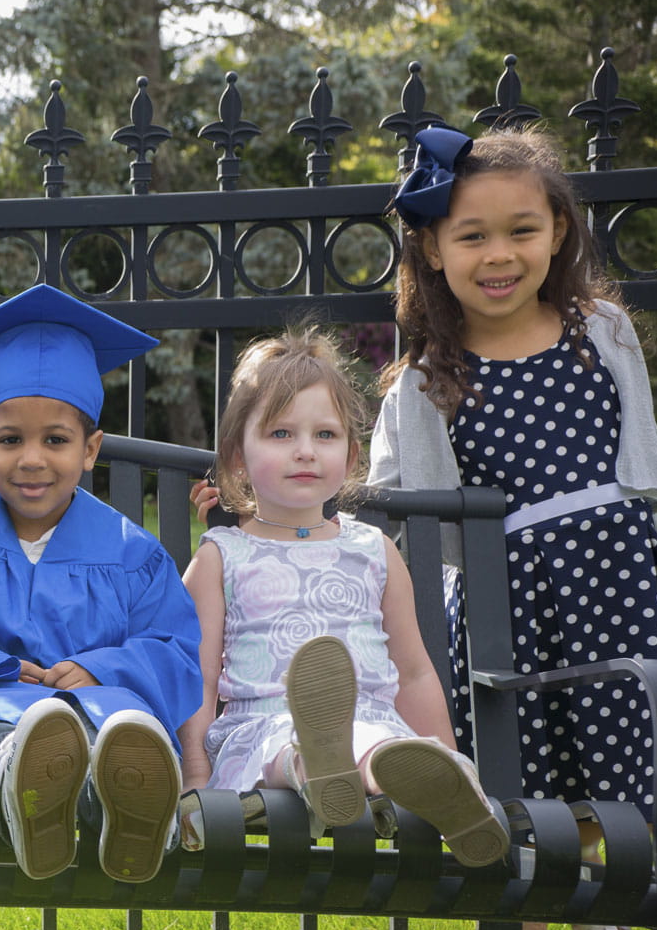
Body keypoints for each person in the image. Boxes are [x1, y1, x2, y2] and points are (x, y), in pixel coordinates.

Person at [370, 125, 657, 930]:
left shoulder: (600, 330)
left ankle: (605, 870)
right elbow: (408, 522)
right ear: (431, 248)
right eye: (470, 236)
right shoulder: (428, 378)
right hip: (510, 616)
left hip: (620, 592)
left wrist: (633, 562)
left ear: (557, 231)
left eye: (521, 229)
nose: (498, 255)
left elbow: (645, 473)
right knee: (513, 817)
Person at [0, 284, 202, 885]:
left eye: (55, 439)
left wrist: (104, 669)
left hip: (102, 713)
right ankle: (15, 787)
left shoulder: (133, 554)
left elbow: (177, 651)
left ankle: (123, 813)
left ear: (91, 450)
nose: (32, 459)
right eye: (10, 440)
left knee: (108, 739)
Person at [176, 327, 508, 867]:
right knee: (290, 747)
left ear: (352, 456)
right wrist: (195, 775)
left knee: (378, 743)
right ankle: (319, 767)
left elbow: (415, 671)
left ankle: (436, 785)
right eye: (281, 434)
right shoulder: (221, 555)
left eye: (324, 435)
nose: (305, 451)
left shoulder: (371, 549)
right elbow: (198, 677)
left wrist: (445, 753)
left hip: (374, 722)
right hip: (260, 731)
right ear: (238, 455)